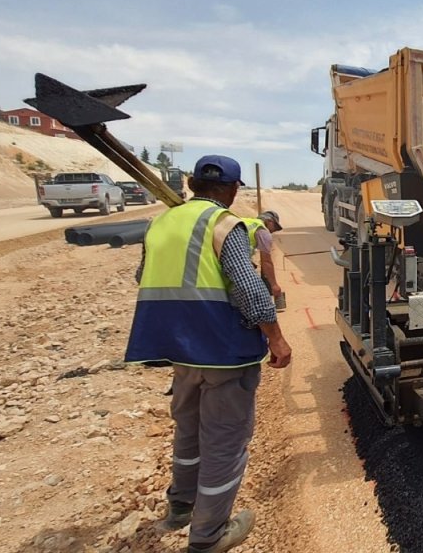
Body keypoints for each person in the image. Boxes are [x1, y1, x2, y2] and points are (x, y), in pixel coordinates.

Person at [126, 154, 292, 553]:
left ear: (191, 183)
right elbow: (249, 291)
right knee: (224, 441)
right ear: (233, 189)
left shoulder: (163, 221)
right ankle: (208, 536)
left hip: (179, 350)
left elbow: (141, 276)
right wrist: (277, 338)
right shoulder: (223, 224)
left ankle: (180, 508)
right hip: (221, 348)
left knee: (188, 431)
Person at [243, 210, 286, 311]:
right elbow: (266, 262)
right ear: (269, 221)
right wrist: (274, 285)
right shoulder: (263, 231)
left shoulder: (246, 222)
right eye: (275, 227)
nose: (273, 231)